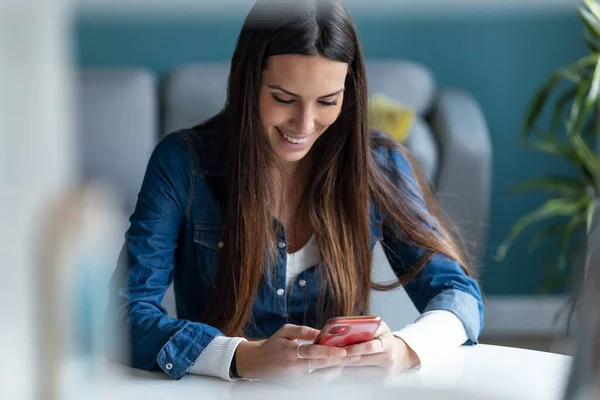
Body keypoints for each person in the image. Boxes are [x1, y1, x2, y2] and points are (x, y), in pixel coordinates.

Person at [109, 0, 484, 382]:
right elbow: (124, 316)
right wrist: (241, 356)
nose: (304, 124)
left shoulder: (379, 164)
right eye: (283, 99)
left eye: (327, 101)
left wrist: (404, 350)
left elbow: (459, 295)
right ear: (248, 83)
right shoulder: (182, 162)